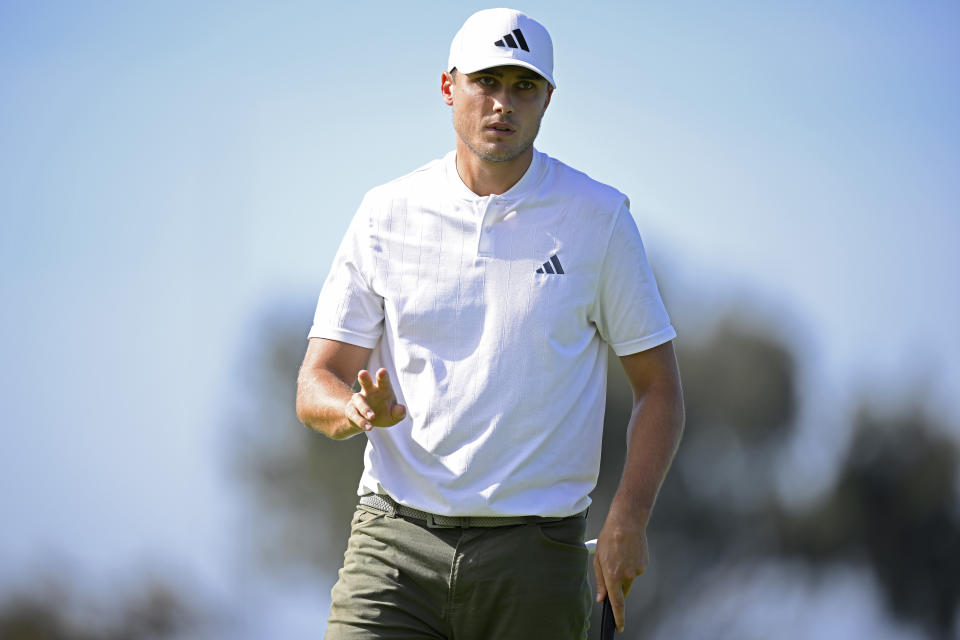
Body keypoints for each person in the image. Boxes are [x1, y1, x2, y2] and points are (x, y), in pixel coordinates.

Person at [296, 8, 684, 639]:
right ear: (450, 87)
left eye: (523, 87)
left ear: (548, 100)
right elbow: (317, 381)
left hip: (536, 557)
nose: (503, 104)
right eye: (487, 82)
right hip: (393, 545)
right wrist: (355, 412)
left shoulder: (600, 218)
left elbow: (660, 389)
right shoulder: (385, 214)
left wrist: (629, 518)